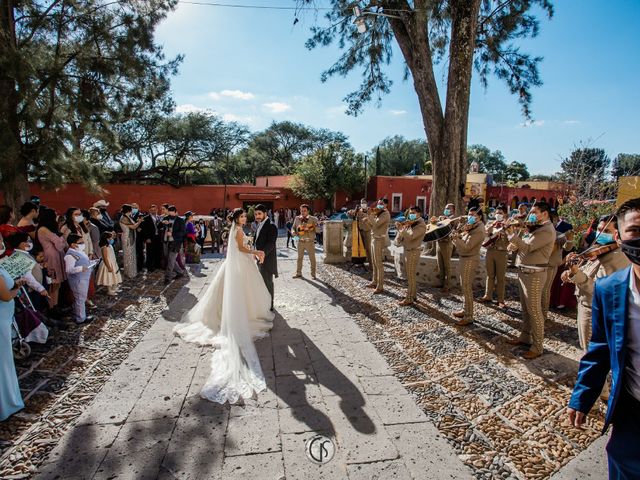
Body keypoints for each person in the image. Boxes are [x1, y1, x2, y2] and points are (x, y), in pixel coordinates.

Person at [566, 198, 640, 479]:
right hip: (633, 408)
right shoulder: (609, 290)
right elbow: (600, 349)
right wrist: (583, 396)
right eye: (635, 231)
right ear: (620, 238)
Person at [173, 208, 274, 404]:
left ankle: (240, 311)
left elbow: (241, 245)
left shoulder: (238, 229)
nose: (245, 219)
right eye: (242, 216)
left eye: (246, 216)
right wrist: (254, 249)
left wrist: (249, 244)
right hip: (240, 263)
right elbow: (242, 249)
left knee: (246, 291)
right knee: (240, 290)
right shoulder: (236, 230)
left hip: (242, 264)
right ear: (237, 218)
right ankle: (233, 314)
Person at [561, 215, 630, 351]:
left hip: (595, 309)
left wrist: (576, 273)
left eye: (607, 231)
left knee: (590, 352)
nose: (600, 233)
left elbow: (599, 289)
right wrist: (571, 272)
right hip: (585, 305)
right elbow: (590, 271)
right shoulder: (601, 247)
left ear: (619, 234)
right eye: (599, 229)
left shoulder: (619, 256)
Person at [505, 201, 556, 359]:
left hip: (534, 274)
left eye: (534, 212)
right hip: (524, 271)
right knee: (526, 310)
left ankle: (537, 346)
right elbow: (524, 245)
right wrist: (514, 243)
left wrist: (512, 235)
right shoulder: (536, 228)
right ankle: (525, 337)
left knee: (534, 311)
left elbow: (527, 247)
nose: (531, 215)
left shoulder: (547, 230)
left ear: (545, 213)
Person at [0, 236, 26, 421]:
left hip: (5, 318)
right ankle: (5, 403)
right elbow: (6, 296)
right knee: (3, 364)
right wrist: (17, 287)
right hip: (1, 319)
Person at [451, 207, 485, 325]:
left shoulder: (479, 230)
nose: (470, 217)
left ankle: (469, 316)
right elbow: (460, 244)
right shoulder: (471, 227)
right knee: (464, 286)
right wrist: (456, 237)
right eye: (469, 214)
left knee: (467, 288)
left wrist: (456, 238)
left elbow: (467, 247)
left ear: (479, 217)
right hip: (464, 258)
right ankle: (465, 310)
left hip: (470, 259)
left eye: (473, 215)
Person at [542, 211, 574, 320]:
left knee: (545, 290)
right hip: (538, 264)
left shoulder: (559, 234)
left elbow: (568, 248)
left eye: (553, 220)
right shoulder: (540, 232)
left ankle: (543, 314)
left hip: (550, 266)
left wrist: (570, 239)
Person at [36, 207, 67, 316]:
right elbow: (59, 243)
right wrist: (61, 238)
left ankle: (55, 305)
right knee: (52, 284)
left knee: (57, 284)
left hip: (56, 256)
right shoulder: (43, 229)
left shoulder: (46, 228)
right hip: (51, 257)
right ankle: (51, 307)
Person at [394, 205, 427, 306]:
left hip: (413, 252)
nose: (411, 215)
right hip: (407, 250)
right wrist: (400, 233)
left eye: (413, 213)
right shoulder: (410, 223)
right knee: (410, 275)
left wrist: (402, 230)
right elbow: (401, 238)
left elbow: (411, 237)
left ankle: (409, 298)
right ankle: (414, 295)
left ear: (419, 214)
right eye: (410, 213)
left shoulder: (421, 224)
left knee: (411, 276)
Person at [480, 206, 509, 308]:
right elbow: (485, 238)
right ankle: (488, 295)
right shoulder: (490, 223)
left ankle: (500, 299)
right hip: (490, 251)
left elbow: (512, 239)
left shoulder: (508, 226)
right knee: (490, 275)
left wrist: (506, 230)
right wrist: (488, 231)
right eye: (497, 213)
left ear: (504, 214)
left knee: (500, 277)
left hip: (501, 252)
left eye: (500, 213)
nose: (498, 215)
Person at [64, 234, 95, 324]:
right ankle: (81, 318)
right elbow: (69, 269)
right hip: (78, 280)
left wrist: (92, 262)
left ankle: (79, 313)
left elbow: (83, 261)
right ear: (73, 244)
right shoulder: (70, 255)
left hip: (83, 278)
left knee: (81, 298)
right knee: (80, 299)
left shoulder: (79, 252)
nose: (83, 244)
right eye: (80, 242)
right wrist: (80, 268)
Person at [362, 198, 391, 294]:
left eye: (381, 203)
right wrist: (367, 221)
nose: (379, 205)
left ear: (386, 205)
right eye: (378, 203)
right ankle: (374, 282)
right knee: (374, 263)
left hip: (379, 239)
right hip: (374, 238)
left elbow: (377, 224)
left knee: (378, 263)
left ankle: (380, 286)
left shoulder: (385, 214)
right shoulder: (379, 213)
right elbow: (373, 226)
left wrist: (370, 215)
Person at [253, 204, 278, 311]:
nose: (257, 216)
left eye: (259, 214)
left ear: (265, 214)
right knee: (262, 283)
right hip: (259, 259)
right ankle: (264, 303)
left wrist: (262, 254)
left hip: (267, 260)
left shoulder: (271, 225)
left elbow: (271, 243)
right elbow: (257, 241)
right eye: (256, 214)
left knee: (268, 283)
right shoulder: (259, 224)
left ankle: (270, 306)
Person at [160, 205, 187, 284]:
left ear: (175, 212)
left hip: (175, 243)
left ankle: (168, 277)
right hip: (165, 241)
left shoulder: (180, 220)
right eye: (169, 212)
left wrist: (172, 234)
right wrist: (162, 223)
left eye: (171, 212)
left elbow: (183, 232)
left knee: (171, 260)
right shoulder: (166, 218)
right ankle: (180, 272)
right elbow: (159, 226)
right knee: (169, 258)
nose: (170, 214)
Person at [292, 204, 319, 279]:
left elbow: (318, 230)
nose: (302, 212)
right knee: (299, 258)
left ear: (308, 211)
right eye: (301, 211)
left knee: (312, 258)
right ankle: (298, 273)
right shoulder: (297, 218)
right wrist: (294, 234)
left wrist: (310, 227)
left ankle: (313, 274)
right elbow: (293, 228)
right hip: (300, 241)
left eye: (304, 211)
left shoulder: (314, 219)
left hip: (310, 242)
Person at [435, 203, 456, 293]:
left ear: (453, 210)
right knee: (440, 264)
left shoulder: (453, 219)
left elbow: (452, 228)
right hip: (439, 243)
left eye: (448, 208)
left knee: (447, 265)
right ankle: (441, 282)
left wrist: (446, 220)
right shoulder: (441, 218)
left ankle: (448, 285)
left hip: (447, 244)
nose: (446, 209)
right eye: (445, 208)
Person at [119, 204, 142, 279]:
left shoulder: (128, 217)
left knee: (132, 255)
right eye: (132, 209)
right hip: (127, 238)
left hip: (131, 237)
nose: (133, 210)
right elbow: (133, 226)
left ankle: (133, 272)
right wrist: (139, 222)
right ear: (128, 210)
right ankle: (129, 273)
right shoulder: (124, 218)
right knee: (128, 255)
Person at [96, 232, 122, 296]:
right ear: (106, 239)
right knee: (109, 277)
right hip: (107, 264)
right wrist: (108, 267)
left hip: (113, 262)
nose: (111, 239)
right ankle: (109, 290)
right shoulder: (104, 247)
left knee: (114, 276)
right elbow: (105, 258)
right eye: (110, 238)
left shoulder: (109, 245)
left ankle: (114, 287)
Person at [140, 204, 162, 271]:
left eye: (155, 210)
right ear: (149, 210)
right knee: (150, 253)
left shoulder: (159, 217)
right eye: (152, 210)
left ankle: (157, 265)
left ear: (157, 210)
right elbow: (144, 230)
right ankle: (150, 267)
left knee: (158, 252)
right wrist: (146, 238)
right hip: (150, 238)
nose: (153, 211)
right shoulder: (146, 218)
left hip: (158, 237)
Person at [355, 199, 372, 266]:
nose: (363, 204)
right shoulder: (359, 210)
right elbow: (353, 216)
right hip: (360, 230)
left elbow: (371, 219)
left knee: (368, 248)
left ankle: (371, 264)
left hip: (367, 231)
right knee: (361, 248)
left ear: (367, 203)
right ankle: (361, 262)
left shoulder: (369, 210)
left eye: (364, 203)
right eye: (362, 203)